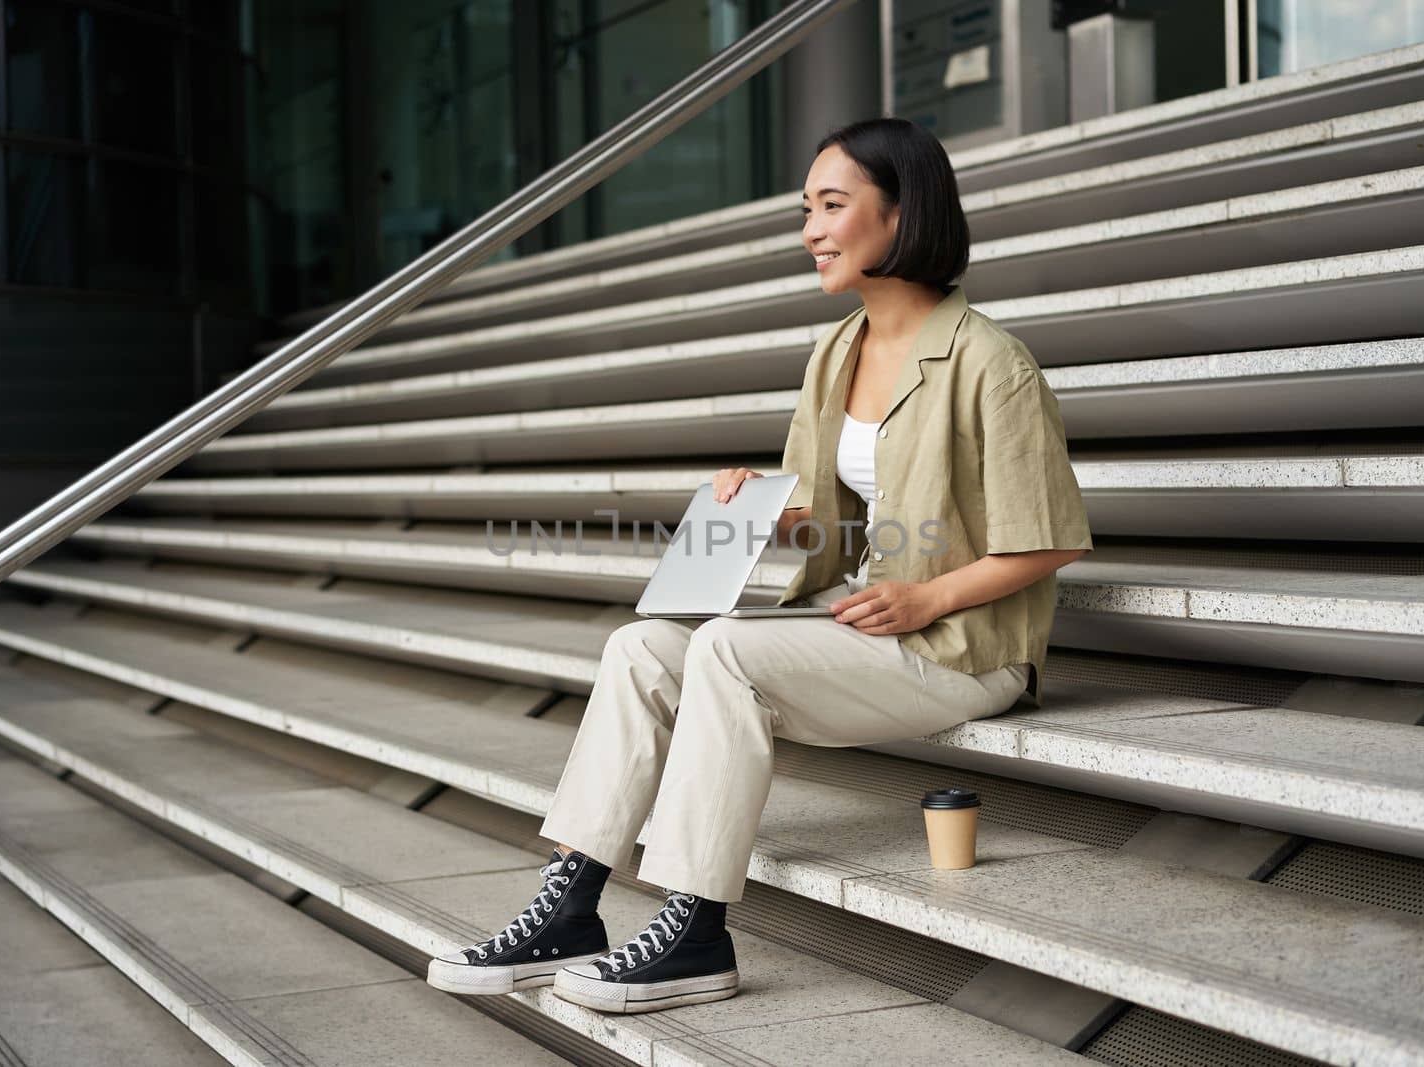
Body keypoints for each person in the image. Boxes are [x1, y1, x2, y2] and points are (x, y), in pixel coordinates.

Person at [427, 117, 1092, 1014]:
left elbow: (1049, 537)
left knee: (725, 653)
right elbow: (831, 522)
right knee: (640, 646)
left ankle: (697, 931)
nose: (810, 230)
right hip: (859, 621)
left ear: (902, 215)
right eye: (805, 210)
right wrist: (762, 505)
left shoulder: (991, 362)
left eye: (831, 206)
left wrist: (927, 592)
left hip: (964, 646)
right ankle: (572, 905)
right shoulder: (837, 353)